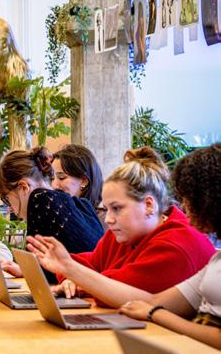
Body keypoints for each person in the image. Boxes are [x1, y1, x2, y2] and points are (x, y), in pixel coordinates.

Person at [27, 144, 220, 349]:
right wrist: (73, 274)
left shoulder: (178, 245)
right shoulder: (214, 264)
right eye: (107, 209)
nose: (108, 219)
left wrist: (73, 272)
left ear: (149, 205)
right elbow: (151, 301)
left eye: (117, 209)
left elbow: (129, 296)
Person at [0, 147, 104, 281]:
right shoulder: (81, 203)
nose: (9, 208)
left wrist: (30, 270)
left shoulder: (39, 198)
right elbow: (47, 269)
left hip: (84, 290)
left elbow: (40, 275)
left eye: (7, 199)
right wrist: (25, 270)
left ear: (23, 187)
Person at [51, 144, 104, 212]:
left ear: (84, 181)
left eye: (61, 178)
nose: (54, 185)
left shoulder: (102, 217)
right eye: (52, 178)